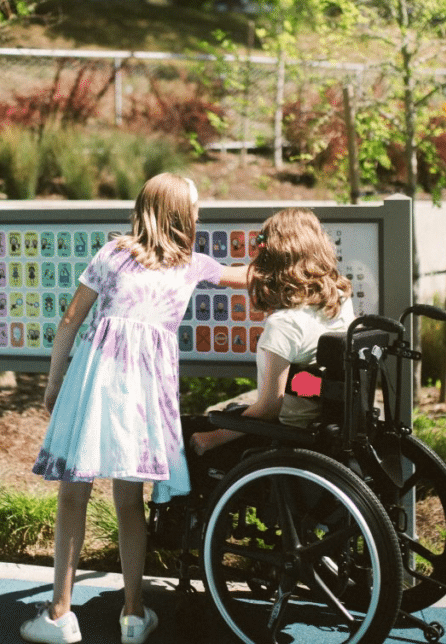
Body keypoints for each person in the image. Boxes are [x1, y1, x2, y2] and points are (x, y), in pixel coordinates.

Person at [20, 173, 249, 644]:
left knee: (73, 495)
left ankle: (59, 614)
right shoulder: (192, 265)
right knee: (129, 504)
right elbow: (249, 277)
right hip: (143, 397)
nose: (200, 214)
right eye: (196, 207)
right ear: (181, 215)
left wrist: (54, 382)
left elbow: (70, 320)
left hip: (93, 385)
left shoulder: (113, 254)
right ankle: (133, 615)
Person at [190, 207, 354, 456]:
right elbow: (310, 384)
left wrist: (212, 438)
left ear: (274, 257)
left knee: (192, 429)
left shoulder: (284, 325)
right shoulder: (340, 298)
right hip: (327, 424)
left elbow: (268, 409)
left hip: (290, 435)